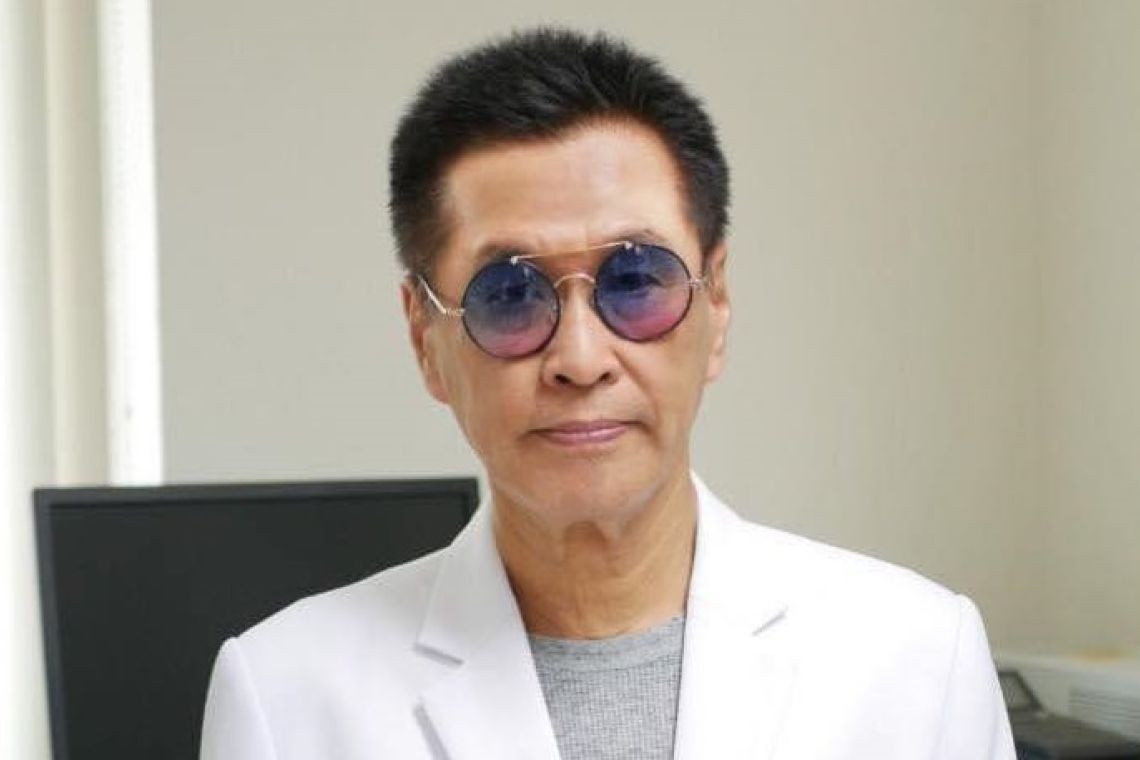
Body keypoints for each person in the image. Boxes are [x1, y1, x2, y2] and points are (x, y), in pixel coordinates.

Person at [200, 28, 1015, 759]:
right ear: (426, 339)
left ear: (717, 303)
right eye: (509, 294)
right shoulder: (287, 696)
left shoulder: (917, 661)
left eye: (635, 280)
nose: (581, 359)